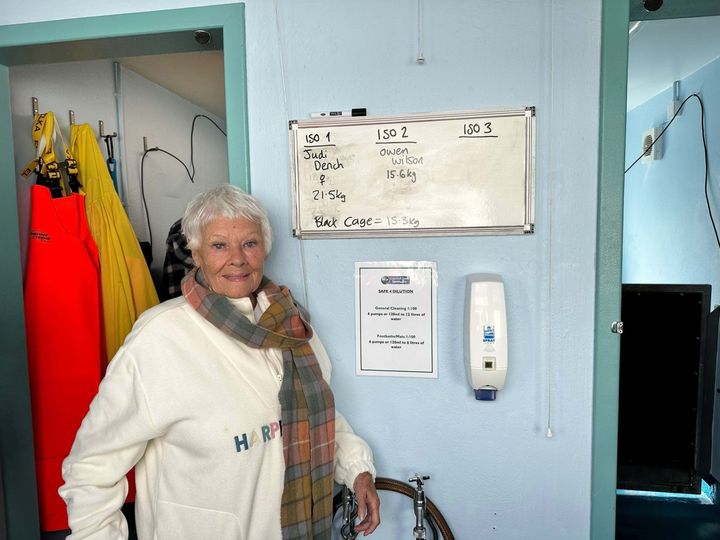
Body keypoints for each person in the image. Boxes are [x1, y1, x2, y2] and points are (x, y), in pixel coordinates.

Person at [60, 184, 380, 539]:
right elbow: (91, 467)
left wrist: (357, 469)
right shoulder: (160, 338)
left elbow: (320, 410)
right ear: (196, 254)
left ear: (264, 249)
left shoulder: (292, 325)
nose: (237, 259)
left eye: (249, 243)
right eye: (218, 245)